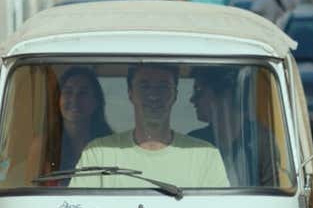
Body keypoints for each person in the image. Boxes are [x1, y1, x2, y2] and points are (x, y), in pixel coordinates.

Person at [70, 65, 228, 188]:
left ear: (175, 94)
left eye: (163, 87)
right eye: (144, 86)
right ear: (130, 93)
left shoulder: (205, 155)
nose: (153, 95)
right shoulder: (98, 153)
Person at [188, 68, 274, 186]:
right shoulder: (193, 143)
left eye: (198, 90)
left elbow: (272, 196)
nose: (192, 100)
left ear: (225, 94)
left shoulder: (262, 141)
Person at [28, 66, 112, 184]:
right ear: (58, 100)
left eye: (83, 93)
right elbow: (31, 190)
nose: (74, 99)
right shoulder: (42, 146)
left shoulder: (110, 146)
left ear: (95, 102)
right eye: (68, 92)